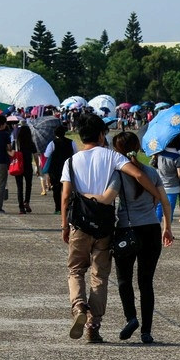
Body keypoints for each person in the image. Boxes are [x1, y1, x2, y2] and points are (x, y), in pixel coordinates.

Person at [60, 113, 161, 344]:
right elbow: (137, 174)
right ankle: (93, 327)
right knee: (100, 276)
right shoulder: (112, 157)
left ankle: (78, 309)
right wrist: (157, 195)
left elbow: (65, 197)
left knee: (76, 270)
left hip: (79, 225)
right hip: (104, 226)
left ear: (80, 136)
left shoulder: (71, 161)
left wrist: (64, 226)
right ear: (101, 134)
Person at [107, 132, 173, 344]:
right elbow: (165, 201)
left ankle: (131, 318)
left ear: (117, 151)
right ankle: (146, 331)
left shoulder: (118, 174)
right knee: (146, 282)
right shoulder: (151, 173)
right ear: (137, 147)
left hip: (127, 230)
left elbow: (108, 198)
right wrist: (167, 228)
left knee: (124, 280)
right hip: (151, 230)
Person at [44, 126, 78, 214]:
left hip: (55, 169)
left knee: (56, 189)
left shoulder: (52, 143)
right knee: (68, 189)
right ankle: (68, 208)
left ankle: (58, 208)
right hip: (68, 168)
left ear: (55, 134)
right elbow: (76, 153)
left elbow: (46, 155)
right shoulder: (71, 142)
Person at [150, 136, 180, 223]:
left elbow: (152, 164)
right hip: (173, 186)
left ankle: (157, 229)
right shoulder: (177, 157)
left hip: (159, 185)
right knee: (169, 210)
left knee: (158, 209)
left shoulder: (159, 154)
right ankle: (167, 230)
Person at [13, 125, 39, 214]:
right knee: (28, 186)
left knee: (19, 187)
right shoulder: (31, 143)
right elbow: (35, 156)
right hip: (28, 166)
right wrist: (38, 168)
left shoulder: (16, 143)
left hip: (18, 167)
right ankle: (26, 202)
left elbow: (12, 153)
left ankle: (21, 208)